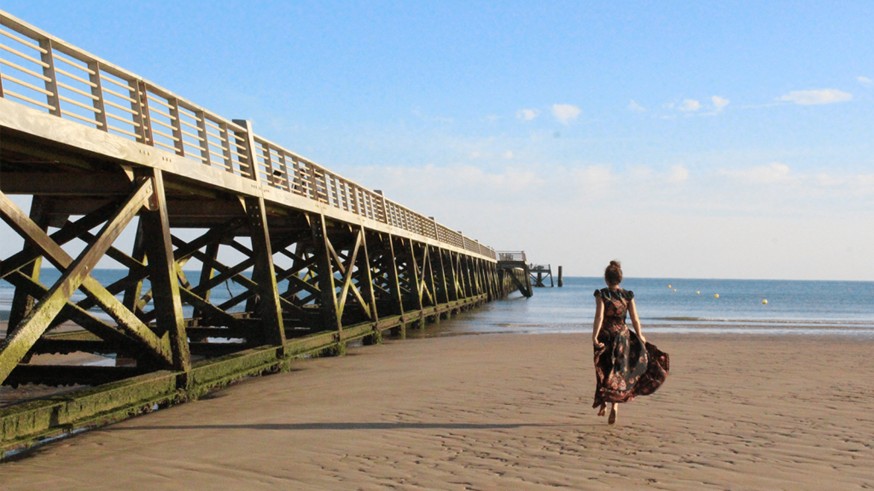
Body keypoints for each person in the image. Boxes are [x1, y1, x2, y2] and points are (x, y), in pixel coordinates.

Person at [592, 260, 669, 424]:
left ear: (606, 279)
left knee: (603, 370)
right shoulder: (627, 295)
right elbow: (634, 317)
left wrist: (595, 336)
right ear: (620, 279)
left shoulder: (602, 294)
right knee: (619, 372)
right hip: (623, 336)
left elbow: (599, 317)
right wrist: (640, 335)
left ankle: (603, 402)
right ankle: (614, 406)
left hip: (607, 336)